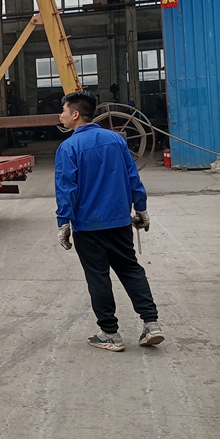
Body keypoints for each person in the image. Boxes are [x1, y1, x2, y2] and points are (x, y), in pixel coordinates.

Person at [55, 90, 163, 352]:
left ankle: (110, 333)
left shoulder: (68, 147)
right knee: (130, 269)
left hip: (87, 225)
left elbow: (66, 188)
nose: (61, 115)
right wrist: (141, 208)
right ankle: (151, 324)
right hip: (119, 220)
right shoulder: (116, 140)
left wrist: (63, 222)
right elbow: (132, 176)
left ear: (75, 114)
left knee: (98, 276)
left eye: (64, 111)